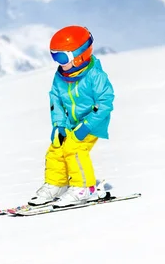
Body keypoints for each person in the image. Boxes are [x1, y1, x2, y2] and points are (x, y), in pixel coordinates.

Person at [29, 25, 115, 208]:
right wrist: (59, 124)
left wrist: (87, 126)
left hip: (93, 121)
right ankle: (57, 184)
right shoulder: (61, 76)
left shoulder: (95, 76)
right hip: (71, 121)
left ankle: (83, 188)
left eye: (61, 57)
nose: (58, 62)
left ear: (80, 55)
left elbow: (105, 103)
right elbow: (56, 99)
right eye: (54, 56)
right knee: (57, 147)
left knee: (74, 148)